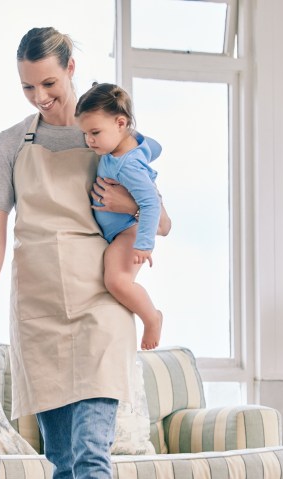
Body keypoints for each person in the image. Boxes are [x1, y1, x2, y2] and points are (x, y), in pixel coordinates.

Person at [0, 26, 170, 479]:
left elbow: (162, 222)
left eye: (49, 83)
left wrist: (131, 209)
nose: (40, 97)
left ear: (72, 67)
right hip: (36, 305)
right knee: (59, 454)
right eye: (29, 87)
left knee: (90, 445)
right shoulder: (9, 143)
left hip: (99, 300)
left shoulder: (106, 138)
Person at [76, 82, 163, 350]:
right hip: (122, 230)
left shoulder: (128, 165)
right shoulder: (125, 146)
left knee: (116, 281)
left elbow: (150, 203)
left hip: (129, 231)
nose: (89, 141)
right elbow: (156, 147)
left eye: (95, 133)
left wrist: (143, 244)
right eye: (85, 134)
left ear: (121, 123)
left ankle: (151, 318)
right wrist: (139, 145)